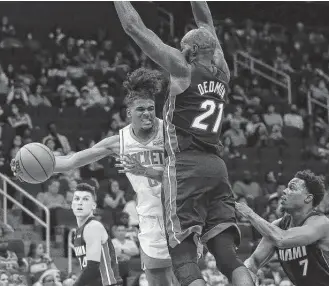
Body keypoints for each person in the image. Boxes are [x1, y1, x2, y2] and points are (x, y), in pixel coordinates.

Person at [114, 2, 254, 286]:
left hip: (185, 166)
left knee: (184, 257)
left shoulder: (183, 69)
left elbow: (134, 28)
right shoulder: (223, 73)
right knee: (228, 258)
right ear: (212, 50)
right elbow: (207, 23)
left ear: (187, 51)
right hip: (217, 168)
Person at [11, 67, 176, 286]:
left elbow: (187, 171)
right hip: (149, 215)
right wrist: (27, 167)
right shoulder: (119, 142)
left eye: (151, 108)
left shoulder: (169, 132)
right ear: (128, 113)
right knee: (158, 280)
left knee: (183, 273)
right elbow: (72, 161)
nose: (147, 114)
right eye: (141, 109)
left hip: (178, 208)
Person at [235, 170, 329, 286]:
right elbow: (254, 261)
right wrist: (246, 274)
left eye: (292, 188)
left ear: (308, 198)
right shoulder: (277, 226)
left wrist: (249, 213)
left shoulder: (321, 223)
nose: (284, 191)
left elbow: (281, 239)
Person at [70, 183, 122, 286]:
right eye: (77, 199)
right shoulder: (80, 231)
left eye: (85, 199)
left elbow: (93, 266)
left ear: (93, 205)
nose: (80, 203)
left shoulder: (93, 226)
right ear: (72, 205)